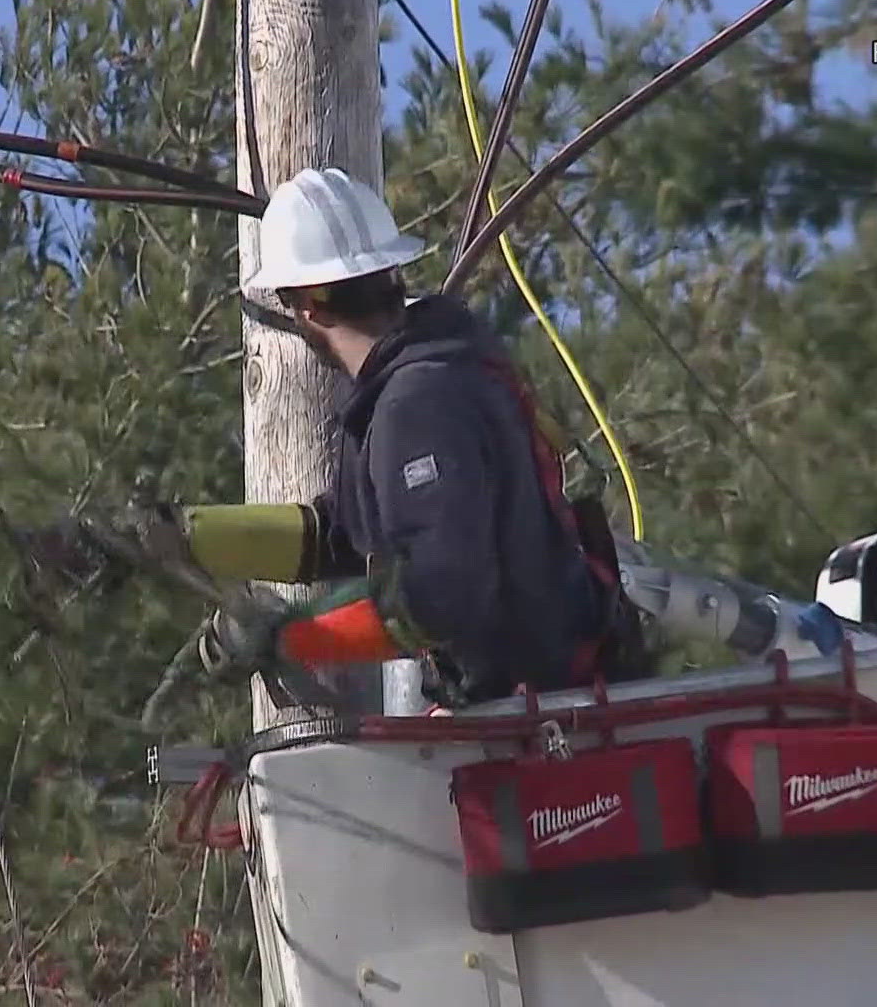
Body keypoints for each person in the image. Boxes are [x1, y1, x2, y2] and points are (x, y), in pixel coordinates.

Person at [40, 167, 638, 708]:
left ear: (303, 307)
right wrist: (174, 537)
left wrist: (293, 637)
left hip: (546, 711)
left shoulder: (419, 402)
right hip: (541, 698)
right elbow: (343, 536)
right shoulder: (426, 373)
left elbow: (444, 592)